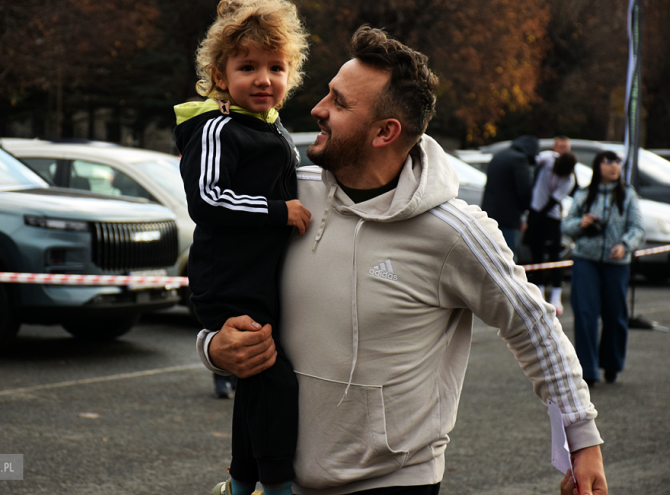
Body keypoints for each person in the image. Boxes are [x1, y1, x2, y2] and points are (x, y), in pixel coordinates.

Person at [200, 26, 607, 494]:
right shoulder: (289, 196)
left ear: (385, 132)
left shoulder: (455, 232)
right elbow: (224, 283)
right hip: (281, 482)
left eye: (338, 102)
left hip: (394, 484)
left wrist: (582, 444)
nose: (317, 109)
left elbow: (533, 326)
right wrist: (213, 347)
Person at [174, 0, 311, 495]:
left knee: (256, 383)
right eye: (247, 66)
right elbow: (207, 200)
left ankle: (239, 483)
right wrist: (280, 211)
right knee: (274, 382)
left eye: (276, 67)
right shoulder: (214, 127)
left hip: (256, 280)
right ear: (219, 74)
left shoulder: (271, 128)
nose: (263, 78)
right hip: (228, 281)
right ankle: (275, 486)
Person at [562, 151, 645, 387]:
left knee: (615, 315)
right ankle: (587, 369)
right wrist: (581, 223)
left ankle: (611, 364)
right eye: (609, 162)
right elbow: (566, 226)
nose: (614, 167)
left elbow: (638, 228)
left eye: (618, 163)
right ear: (598, 165)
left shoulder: (628, 195)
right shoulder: (584, 194)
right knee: (585, 314)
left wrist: (625, 245)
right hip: (585, 260)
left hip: (617, 264)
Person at [525, 150, 578, 314]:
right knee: (537, 255)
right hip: (534, 208)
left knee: (555, 256)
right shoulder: (548, 159)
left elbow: (553, 201)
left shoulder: (569, 179)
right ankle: (538, 294)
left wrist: (534, 220)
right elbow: (530, 161)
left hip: (552, 216)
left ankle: (556, 296)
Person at [481, 135, 540, 257]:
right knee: (507, 257)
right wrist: (524, 213)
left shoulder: (499, 155)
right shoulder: (519, 160)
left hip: (489, 214)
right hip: (508, 218)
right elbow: (524, 190)